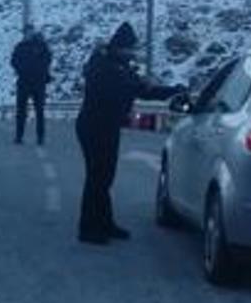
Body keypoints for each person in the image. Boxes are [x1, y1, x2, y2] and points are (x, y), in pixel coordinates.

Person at [76, 23, 185, 245]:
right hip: (94, 127)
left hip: (107, 126)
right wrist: (139, 84)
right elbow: (123, 90)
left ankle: (105, 222)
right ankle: (88, 228)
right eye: (129, 49)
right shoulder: (104, 67)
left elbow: (143, 90)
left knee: (105, 176)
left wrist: (172, 91)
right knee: (97, 177)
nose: (132, 53)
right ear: (120, 47)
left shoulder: (118, 66)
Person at [10, 26, 52, 145]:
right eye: (26, 32)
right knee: (23, 111)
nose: (27, 34)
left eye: (29, 32)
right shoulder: (23, 46)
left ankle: (39, 137)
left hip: (34, 83)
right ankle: (20, 136)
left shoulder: (39, 46)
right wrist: (22, 70)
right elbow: (13, 61)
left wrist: (23, 70)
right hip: (28, 82)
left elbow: (48, 60)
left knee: (38, 111)